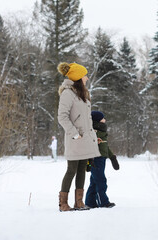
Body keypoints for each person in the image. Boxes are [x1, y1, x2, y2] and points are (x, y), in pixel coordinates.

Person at [57, 62, 100, 212]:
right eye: (85, 75)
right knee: (71, 170)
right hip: (75, 139)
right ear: (77, 77)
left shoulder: (83, 94)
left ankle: (79, 202)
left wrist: (92, 134)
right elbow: (62, 117)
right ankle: (63, 204)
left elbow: (85, 118)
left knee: (82, 169)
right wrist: (74, 134)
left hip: (86, 138)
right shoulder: (67, 93)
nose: (87, 78)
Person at [85, 111, 119, 208]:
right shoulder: (93, 132)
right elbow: (89, 146)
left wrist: (112, 157)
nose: (105, 120)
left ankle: (90, 202)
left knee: (94, 181)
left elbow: (105, 147)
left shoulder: (101, 132)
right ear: (98, 120)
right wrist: (89, 162)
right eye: (103, 118)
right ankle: (103, 202)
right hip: (95, 159)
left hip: (101, 159)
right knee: (101, 181)